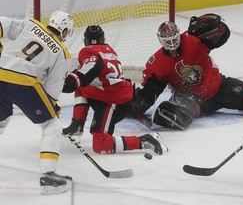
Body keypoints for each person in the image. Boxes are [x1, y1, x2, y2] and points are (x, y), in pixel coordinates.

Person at [129, 13, 243, 130]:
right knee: (171, 114)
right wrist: (135, 105)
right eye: (167, 42)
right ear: (160, 41)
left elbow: (223, 33)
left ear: (179, 35)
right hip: (192, 99)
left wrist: (209, 23)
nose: (172, 44)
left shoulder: (194, 40)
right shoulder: (158, 63)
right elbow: (150, 92)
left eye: (174, 39)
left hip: (219, 87)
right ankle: (183, 109)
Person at [62, 25, 168, 155]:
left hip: (112, 102)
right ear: (103, 38)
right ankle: (77, 125)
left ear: (85, 41)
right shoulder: (109, 50)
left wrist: (68, 82)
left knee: (100, 145)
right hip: (119, 95)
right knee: (80, 83)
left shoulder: (87, 51)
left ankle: (144, 140)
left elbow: (93, 66)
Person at [0, 10, 74, 195]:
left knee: (1, 120)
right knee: (52, 125)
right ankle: (49, 177)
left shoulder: (31, 24)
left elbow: (3, 23)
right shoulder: (62, 52)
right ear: (64, 31)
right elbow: (52, 89)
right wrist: (53, 108)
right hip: (24, 81)